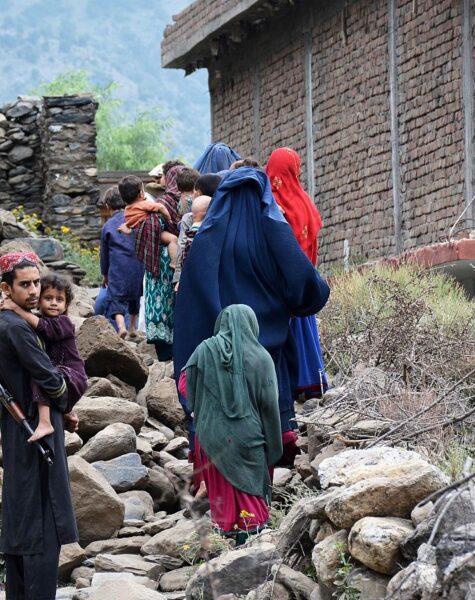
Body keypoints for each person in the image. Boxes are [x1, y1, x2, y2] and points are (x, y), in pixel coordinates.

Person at [173, 167, 329, 463]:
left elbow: (190, 303)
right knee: (269, 401)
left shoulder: (207, 240)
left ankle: (221, 476)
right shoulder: (274, 235)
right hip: (268, 348)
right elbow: (305, 286)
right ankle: (265, 477)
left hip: (224, 350)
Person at [0, 253, 79, 599]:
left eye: (36, 283)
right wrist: (65, 402)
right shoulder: (17, 328)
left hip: (18, 431)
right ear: (6, 287)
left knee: (21, 516)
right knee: (42, 521)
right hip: (37, 434)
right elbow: (52, 381)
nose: (34, 291)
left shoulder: (2, 323)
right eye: (24, 284)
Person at [179, 304, 282, 543]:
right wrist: (273, 446)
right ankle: (253, 539)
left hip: (210, 435)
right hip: (248, 436)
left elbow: (184, 384)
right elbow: (269, 405)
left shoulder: (205, 349)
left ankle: (226, 539)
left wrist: (204, 404)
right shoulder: (261, 357)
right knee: (250, 491)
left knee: (223, 493)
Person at [266, 148, 329, 411]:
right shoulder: (305, 203)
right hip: (304, 284)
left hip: (277, 286)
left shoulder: (270, 205)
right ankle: (310, 382)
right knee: (304, 328)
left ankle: (286, 387)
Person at [1, 271, 88, 442]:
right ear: (39, 301)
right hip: (61, 373)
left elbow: (43, 327)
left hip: (73, 374)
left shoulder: (64, 322)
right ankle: (64, 414)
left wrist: (16, 308)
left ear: (66, 304)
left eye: (59, 299)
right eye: (48, 298)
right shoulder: (38, 318)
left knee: (42, 376)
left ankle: (45, 422)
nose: (54, 303)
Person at [137, 166, 184, 361]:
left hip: (161, 263)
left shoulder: (163, 202)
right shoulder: (192, 201)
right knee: (175, 306)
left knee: (161, 305)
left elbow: (152, 229)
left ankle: (165, 356)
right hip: (182, 260)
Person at [100, 184, 146, 339]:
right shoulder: (136, 219)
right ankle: (132, 328)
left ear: (107, 205)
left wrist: (105, 274)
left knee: (115, 299)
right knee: (135, 298)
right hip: (138, 266)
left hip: (118, 268)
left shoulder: (108, 225)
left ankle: (121, 327)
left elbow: (104, 254)